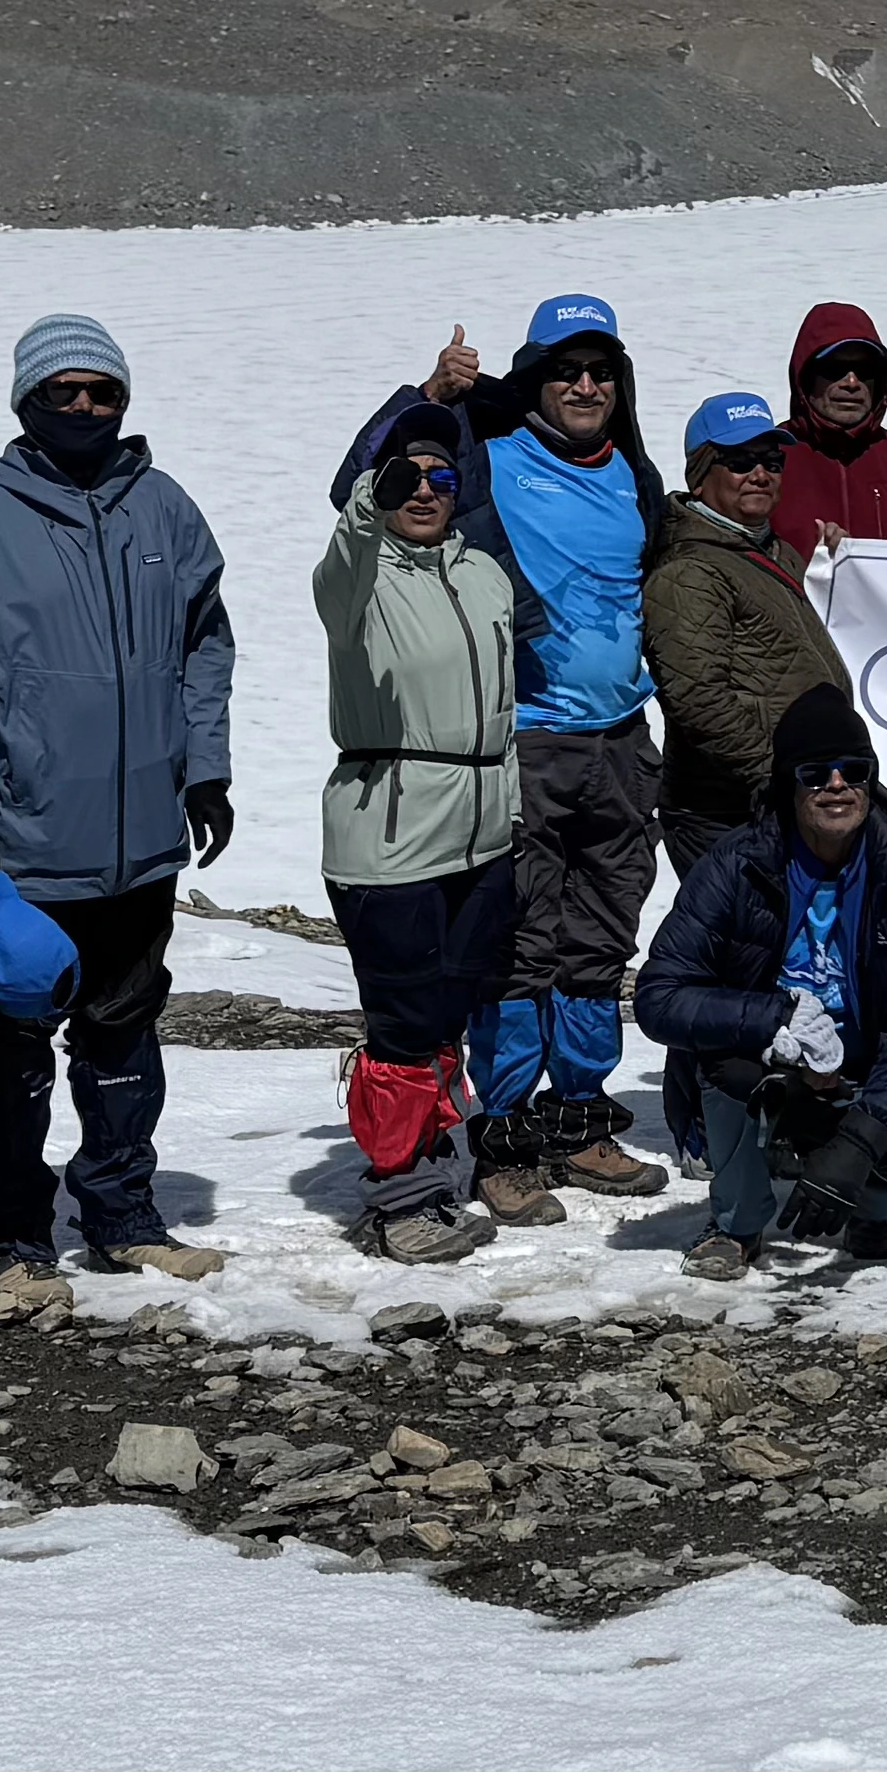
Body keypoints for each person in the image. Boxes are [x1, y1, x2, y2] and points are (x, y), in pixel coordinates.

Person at [0, 312, 241, 1282]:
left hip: (141, 842)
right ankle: (15, 1239)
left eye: (102, 391)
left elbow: (205, 646)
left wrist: (204, 766)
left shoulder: (164, 509)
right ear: (29, 401)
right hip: (22, 852)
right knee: (13, 1053)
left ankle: (124, 1216)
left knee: (126, 1037)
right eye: (65, 391)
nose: (85, 406)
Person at [336, 296, 671, 1202]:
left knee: (599, 942)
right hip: (523, 738)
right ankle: (506, 1137)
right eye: (565, 369)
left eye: (601, 370)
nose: (586, 385)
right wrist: (423, 392)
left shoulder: (634, 473)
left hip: (619, 742)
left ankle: (579, 1118)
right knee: (519, 945)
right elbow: (360, 491)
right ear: (531, 377)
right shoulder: (480, 456)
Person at [635, 685, 887, 1281]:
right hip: (772, 1065)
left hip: (868, 1064)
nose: (836, 785)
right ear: (789, 784)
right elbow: (660, 996)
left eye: (854, 771)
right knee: (727, 1063)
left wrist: (858, 1145)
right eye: (816, 773)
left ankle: (867, 1209)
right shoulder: (735, 866)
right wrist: (774, 1020)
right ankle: (737, 1226)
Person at [317, 409, 533, 1259]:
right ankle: (396, 1196)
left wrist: (510, 811)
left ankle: (436, 1167)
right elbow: (346, 547)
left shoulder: (484, 574)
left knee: (447, 1014)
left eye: (441, 479)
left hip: (481, 828)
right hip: (391, 828)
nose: (425, 493)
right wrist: (374, 484)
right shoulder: (359, 576)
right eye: (405, 478)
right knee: (403, 1023)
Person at [646, 390, 837, 886]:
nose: (760, 474)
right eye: (738, 461)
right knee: (745, 954)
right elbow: (698, 698)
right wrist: (780, 774)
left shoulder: (773, 551)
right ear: (701, 473)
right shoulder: (690, 572)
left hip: (784, 799)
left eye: (771, 462)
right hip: (726, 811)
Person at [768, 304, 887, 565]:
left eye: (865, 370)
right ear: (806, 378)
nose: (851, 383)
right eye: (836, 369)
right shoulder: (767, 457)